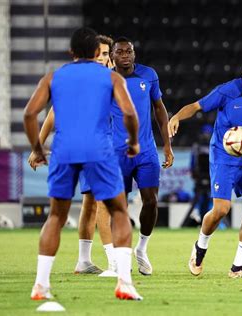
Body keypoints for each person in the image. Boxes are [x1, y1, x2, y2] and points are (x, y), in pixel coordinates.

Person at [25, 27, 142, 301]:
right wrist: (134, 142)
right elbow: (129, 112)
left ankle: (41, 284)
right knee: (119, 211)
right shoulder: (110, 77)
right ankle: (124, 281)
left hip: (64, 150)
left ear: (71, 52)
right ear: (95, 53)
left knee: (56, 216)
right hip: (98, 150)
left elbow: (30, 114)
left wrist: (37, 148)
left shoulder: (54, 77)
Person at [169, 56, 242, 279]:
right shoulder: (228, 90)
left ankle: (238, 267)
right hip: (223, 156)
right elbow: (196, 106)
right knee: (221, 209)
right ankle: (200, 247)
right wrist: (177, 117)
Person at [28, 35, 119, 277]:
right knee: (105, 204)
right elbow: (53, 113)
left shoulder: (106, 78)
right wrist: (37, 145)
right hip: (93, 148)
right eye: (100, 54)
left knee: (89, 205)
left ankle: (83, 260)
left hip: (96, 146)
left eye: (107, 54)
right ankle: (114, 264)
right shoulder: (99, 80)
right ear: (90, 54)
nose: (104, 58)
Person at [110, 36, 174, 276]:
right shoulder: (107, 81)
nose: (125, 55)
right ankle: (119, 257)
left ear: (134, 54)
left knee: (151, 201)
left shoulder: (148, 75)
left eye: (129, 51)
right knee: (119, 206)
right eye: (120, 52)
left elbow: (159, 109)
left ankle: (142, 249)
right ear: (112, 56)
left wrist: (167, 145)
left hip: (146, 151)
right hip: (117, 152)